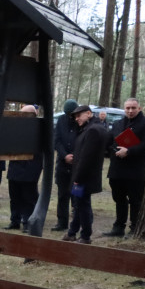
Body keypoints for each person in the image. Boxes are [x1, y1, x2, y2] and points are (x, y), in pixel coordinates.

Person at [105, 97, 145, 237]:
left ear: (139, 108)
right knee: (119, 198)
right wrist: (113, 151)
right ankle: (118, 227)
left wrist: (129, 151)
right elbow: (110, 141)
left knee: (135, 200)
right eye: (127, 108)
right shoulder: (118, 123)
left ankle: (134, 228)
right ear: (124, 109)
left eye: (133, 108)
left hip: (135, 170)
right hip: (117, 169)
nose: (130, 111)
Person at [63, 105, 111, 245]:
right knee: (78, 205)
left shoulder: (93, 130)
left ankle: (85, 236)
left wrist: (78, 178)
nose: (77, 119)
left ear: (89, 114)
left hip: (84, 177)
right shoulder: (92, 128)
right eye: (75, 116)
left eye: (79, 115)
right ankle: (72, 232)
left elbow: (87, 157)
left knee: (83, 206)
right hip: (83, 175)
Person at [5, 105, 42, 230]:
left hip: (30, 168)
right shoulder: (15, 128)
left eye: (23, 114)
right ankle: (14, 221)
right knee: (14, 197)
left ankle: (27, 222)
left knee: (29, 198)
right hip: (15, 168)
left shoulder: (39, 129)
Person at [52, 99, 80, 231]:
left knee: (77, 195)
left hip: (78, 167)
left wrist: (74, 156)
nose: (71, 117)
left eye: (72, 114)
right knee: (62, 195)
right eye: (69, 114)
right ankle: (61, 222)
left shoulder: (81, 122)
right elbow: (56, 140)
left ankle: (77, 223)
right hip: (63, 165)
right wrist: (64, 156)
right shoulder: (61, 121)